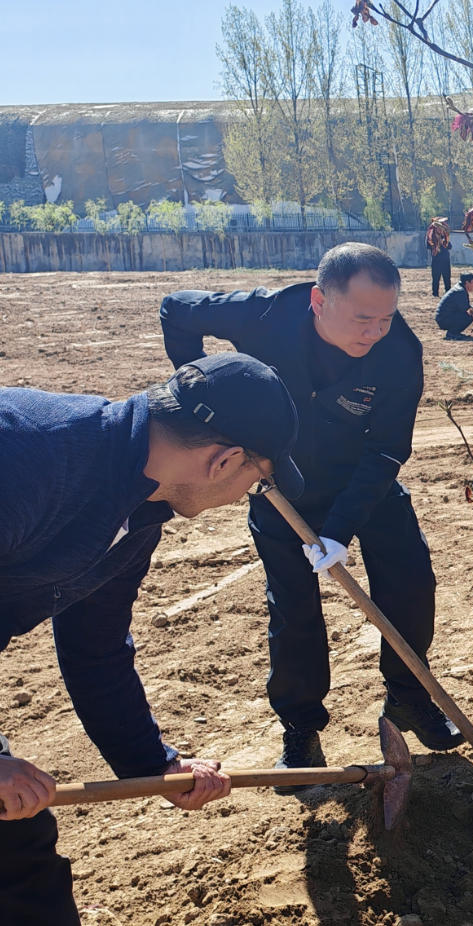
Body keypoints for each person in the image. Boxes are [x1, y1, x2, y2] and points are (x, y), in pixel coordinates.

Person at [1, 353, 303, 923]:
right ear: (226, 460)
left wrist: (151, 765)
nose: (244, 496)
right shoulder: (29, 459)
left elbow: (97, 650)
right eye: (256, 482)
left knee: (20, 858)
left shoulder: (141, 507)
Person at [159, 242, 463, 787]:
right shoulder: (264, 314)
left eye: (386, 318)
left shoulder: (399, 351)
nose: (375, 332)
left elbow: (389, 448)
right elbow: (176, 308)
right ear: (320, 300)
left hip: (362, 479)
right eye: (363, 318)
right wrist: (207, 409)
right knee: (294, 611)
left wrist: (339, 529)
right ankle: (300, 731)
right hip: (278, 485)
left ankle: (408, 700)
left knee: (411, 584)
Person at [435, 272, 473, 339]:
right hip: (444, 319)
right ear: (467, 282)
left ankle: (453, 332)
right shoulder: (460, 291)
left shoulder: (460, 288)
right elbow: (466, 309)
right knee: (471, 314)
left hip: (443, 318)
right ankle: (453, 333)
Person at [427, 217, 451, 298]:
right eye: (439, 228)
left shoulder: (445, 236)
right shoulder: (431, 237)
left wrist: (443, 241)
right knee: (436, 278)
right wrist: (437, 243)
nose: (440, 229)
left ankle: (448, 293)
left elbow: (449, 246)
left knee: (447, 278)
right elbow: (428, 246)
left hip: (445, 260)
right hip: (436, 260)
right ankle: (435, 294)